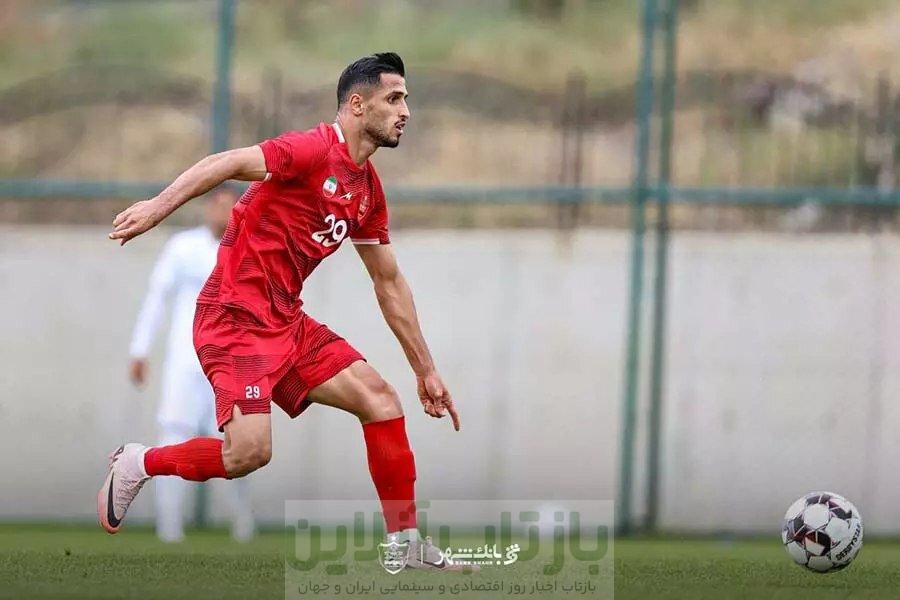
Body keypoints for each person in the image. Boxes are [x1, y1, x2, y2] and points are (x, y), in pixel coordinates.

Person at [98, 52, 464, 570]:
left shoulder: (367, 191)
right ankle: (138, 462)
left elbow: (388, 282)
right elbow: (226, 162)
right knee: (249, 454)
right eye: (394, 98)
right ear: (357, 105)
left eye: (406, 99)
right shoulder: (311, 150)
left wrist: (425, 370)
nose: (405, 111)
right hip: (233, 319)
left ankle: (405, 544)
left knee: (381, 399)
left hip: (285, 321)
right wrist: (158, 208)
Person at [128, 186, 255, 543]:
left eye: (230, 206)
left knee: (238, 441)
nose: (223, 212)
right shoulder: (182, 247)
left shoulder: (250, 249)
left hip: (230, 363)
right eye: (218, 205)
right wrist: (140, 349)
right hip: (185, 362)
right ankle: (169, 525)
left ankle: (242, 522)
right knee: (174, 435)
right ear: (207, 208)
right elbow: (157, 298)